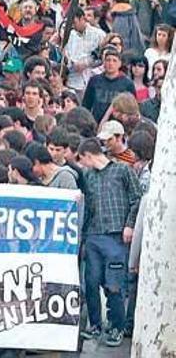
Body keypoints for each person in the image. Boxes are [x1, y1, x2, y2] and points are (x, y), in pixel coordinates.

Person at [77, 138, 141, 347]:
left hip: (115, 235)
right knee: (91, 282)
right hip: (93, 234)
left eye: (82, 159)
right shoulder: (88, 176)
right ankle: (95, 325)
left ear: (87, 155)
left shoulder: (123, 171)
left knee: (114, 284)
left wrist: (129, 225)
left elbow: (136, 198)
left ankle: (116, 326)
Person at [82, 48, 135, 122]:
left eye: (114, 60)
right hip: (96, 122)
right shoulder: (94, 81)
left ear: (120, 64)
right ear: (103, 62)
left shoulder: (127, 84)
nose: (111, 63)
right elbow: (86, 105)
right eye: (108, 60)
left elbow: (132, 109)